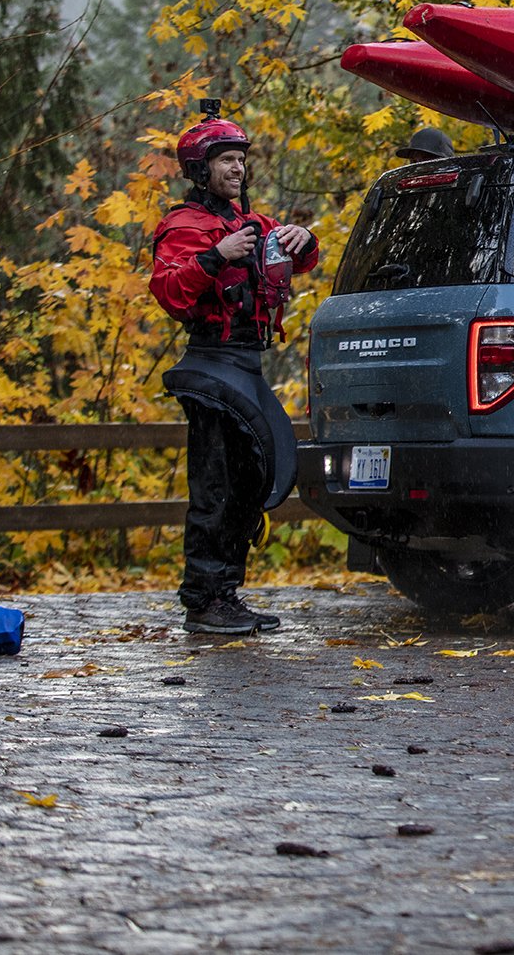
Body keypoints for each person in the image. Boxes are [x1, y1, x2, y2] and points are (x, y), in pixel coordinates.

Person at [149, 110, 321, 634]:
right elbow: (169, 290)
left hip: (247, 365)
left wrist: (301, 237)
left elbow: (306, 259)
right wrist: (215, 257)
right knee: (215, 488)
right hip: (211, 368)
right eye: (227, 160)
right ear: (201, 168)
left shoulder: (253, 223)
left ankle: (226, 594)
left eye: (241, 160)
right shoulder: (185, 226)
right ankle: (201, 601)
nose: (237, 169)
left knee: (249, 484)